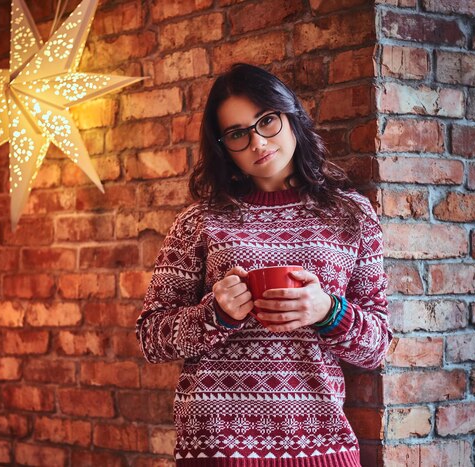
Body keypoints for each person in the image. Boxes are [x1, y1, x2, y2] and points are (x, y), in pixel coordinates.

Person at [136, 63, 392, 467]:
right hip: (216, 449)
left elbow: (378, 345)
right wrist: (214, 315)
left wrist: (327, 311)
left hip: (320, 446)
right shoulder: (200, 220)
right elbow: (151, 338)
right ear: (224, 146)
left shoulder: (351, 214)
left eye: (266, 121)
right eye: (238, 133)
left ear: (290, 117)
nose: (257, 142)